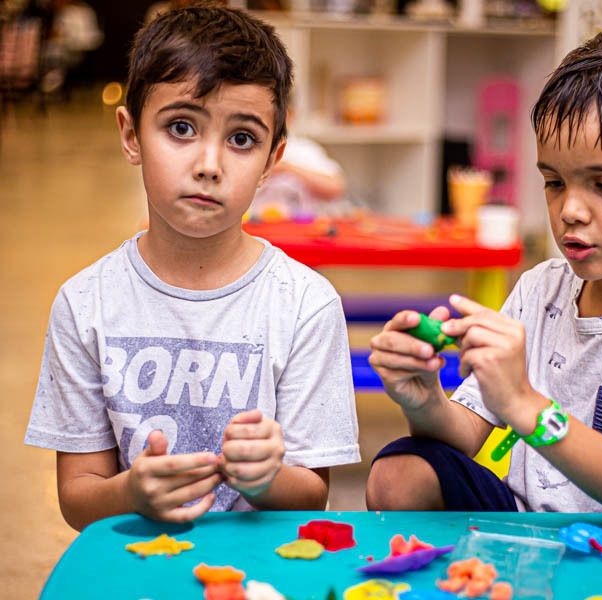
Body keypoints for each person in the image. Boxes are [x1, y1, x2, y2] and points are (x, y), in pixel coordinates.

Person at [366, 27, 602, 529]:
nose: (569, 209)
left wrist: (528, 406)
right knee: (399, 472)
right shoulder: (540, 289)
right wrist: (426, 401)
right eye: (554, 182)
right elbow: (480, 434)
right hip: (530, 530)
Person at [24, 5, 360, 531]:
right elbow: (77, 497)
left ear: (274, 158)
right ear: (131, 135)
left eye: (242, 138)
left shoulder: (305, 304)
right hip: (132, 564)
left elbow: (312, 493)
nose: (209, 164)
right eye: (181, 127)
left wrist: (267, 477)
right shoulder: (85, 302)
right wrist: (131, 492)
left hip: (256, 573)